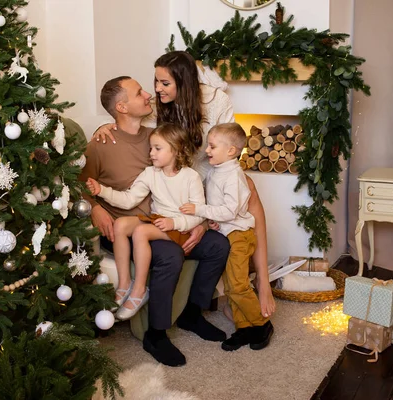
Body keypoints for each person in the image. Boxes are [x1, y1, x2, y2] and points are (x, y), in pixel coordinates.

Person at [93, 51, 276, 320]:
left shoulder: (216, 101)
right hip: (179, 179)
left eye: (164, 83)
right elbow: (127, 118)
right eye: (155, 81)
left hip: (208, 170)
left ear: (185, 82)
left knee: (248, 190)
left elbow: (227, 144)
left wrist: (208, 199)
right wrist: (104, 126)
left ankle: (262, 280)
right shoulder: (157, 106)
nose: (156, 89)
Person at [80, 76, 230, 367]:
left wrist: (197, 223)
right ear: (122, 107)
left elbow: (186, 177)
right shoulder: (101, 143)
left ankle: (191, 314)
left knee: (218, 245)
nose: (148, 94)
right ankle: (156, 334)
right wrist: (94, 206)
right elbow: (78, 184)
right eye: (139, 93)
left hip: (167, 221)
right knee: (171, 255)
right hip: (126, 227)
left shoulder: (157, 137)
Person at [86, 123, 205, 321]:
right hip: (158, 221)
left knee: (141, 232)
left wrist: (174, 223)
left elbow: (199, 213)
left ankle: (140, 290)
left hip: (180, 226)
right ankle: (125, 284)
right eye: (151, 148)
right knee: (121, 224)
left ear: (175, 150)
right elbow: (129, 199)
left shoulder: (191, 177)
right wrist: (102, 191)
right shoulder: (151, 174)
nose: (151, 153)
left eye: (158, 149)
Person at [180, 123, 274, 351]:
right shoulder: (217, 170)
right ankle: (244, 328)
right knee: (233, 285)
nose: (207, 151)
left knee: (238, 285)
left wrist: (199, 210)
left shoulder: (233, 176)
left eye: (212, 146)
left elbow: (231, 211)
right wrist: (214, 221)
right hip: (228, 231)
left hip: (239, 237)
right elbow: (223, 209)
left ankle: (262, 324)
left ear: (231, 151)